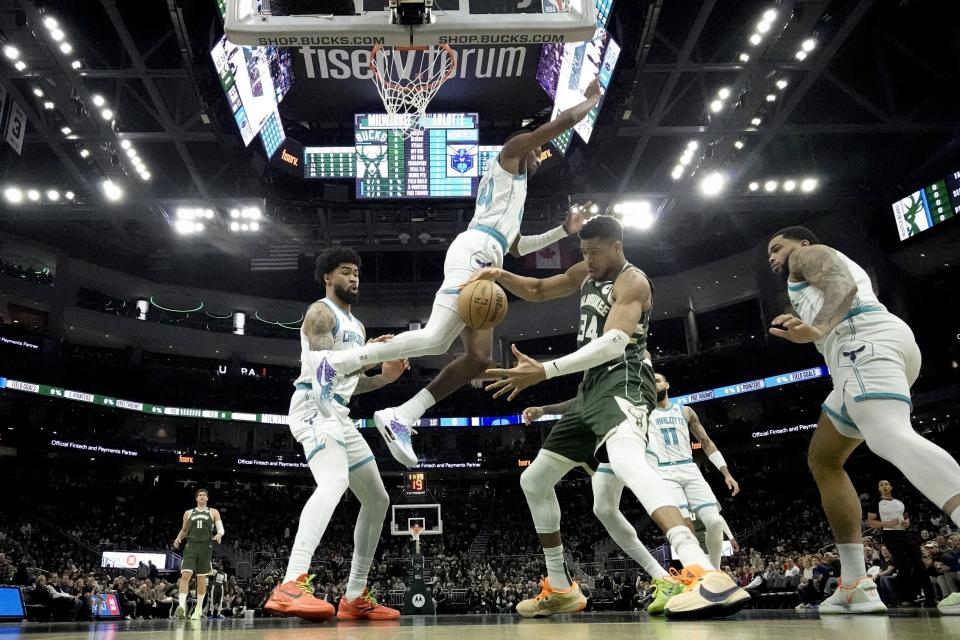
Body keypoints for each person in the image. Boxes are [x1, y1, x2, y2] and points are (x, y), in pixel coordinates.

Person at [307, 82, 605, 468]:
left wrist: (565, 230)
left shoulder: (516, 190)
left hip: (489, 254)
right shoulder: (509, 156)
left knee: (479, 358)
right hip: (474, 251)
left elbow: (517, 248)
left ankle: (403, 414)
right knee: (433, 338)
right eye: (536, 148)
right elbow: (558, 125)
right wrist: (591, 102)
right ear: (525, 144)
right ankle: (338, 364)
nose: (540, 156)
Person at [470, 215, 750, 619]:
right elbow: (536, 288)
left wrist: (544, 371)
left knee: (625, 460)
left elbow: (614, 343)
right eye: (583, 253)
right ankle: (562, 588)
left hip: (624, 380)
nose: (588, 260)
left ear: (617, 247)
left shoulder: (632, 282)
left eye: (594, 252)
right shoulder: (586, 273)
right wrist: (501, 276)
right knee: (533, 479)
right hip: (589, 391)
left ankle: (704, 571)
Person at [766, 225, 960, 615]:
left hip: (861, 339)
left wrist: (818, 327)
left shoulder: (809, 254)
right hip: (860, 351)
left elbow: (842, 286)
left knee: (888, 435)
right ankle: (855, 583)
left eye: (777, 247)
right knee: (823, 459)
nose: (772, 256)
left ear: (802, 243)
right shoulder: (801, 278)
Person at [264, 248, 405, 622]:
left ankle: (355, 596)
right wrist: (367, 356)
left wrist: (384, 377)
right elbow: (324, 373)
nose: (354, 278)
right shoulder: (320, 313)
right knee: (335, 481)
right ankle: (291, 582)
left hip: (338, 413)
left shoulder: (357, 328)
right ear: (328, 276)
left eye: (357, 272)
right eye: (346, 272)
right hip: (313, 406)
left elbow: (348, 387)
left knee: (377, 499)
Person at [522, 400, 685, 615]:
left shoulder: (624, 379)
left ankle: (697, 571)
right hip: (603, 428)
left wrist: (548, 370)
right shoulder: (594, 385)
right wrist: (544, 409)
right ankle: (665, 578)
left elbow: (591, 391)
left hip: (617, 425)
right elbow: (585, 394)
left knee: (655, 491)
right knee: (605, 509)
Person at [647, 372, 740, 569]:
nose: (654, 384)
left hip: (689, 468)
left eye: (657, 380)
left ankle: (714, 569)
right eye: (649, 381)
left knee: (714, 522)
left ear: (667, 384)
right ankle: (701, 569)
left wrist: (726, 473)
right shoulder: (644, 413)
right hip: (665, 474)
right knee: (685, 528)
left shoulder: (686, 411)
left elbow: (706, 442)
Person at [866, 479, 935, 606]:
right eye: (881, 485)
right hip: (889, 535)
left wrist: (907, 522)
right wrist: (886, 523)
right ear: (879, 489)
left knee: (919, 564)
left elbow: (906, 517)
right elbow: (870, 522)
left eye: (887, 484)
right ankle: (903, 596)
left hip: (904, 534)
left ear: (890, 487)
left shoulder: (900, 501)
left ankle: (930, 598)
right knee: (904, 565)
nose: (885, 486)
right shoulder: (876, 503)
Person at [172, 488, 224, 619]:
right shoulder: (188, 513)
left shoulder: (213, 512)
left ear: (207, 498)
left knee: (201, 579)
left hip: (206, 546)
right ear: (196, 498)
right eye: (200, 495)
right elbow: (184, 530)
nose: (202, 496)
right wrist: (178, 538)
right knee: (185, 575)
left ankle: (199, 609)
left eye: (204, 495)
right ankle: (182, 606)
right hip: (191, 545)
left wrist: (219, 534)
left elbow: (221, 528)